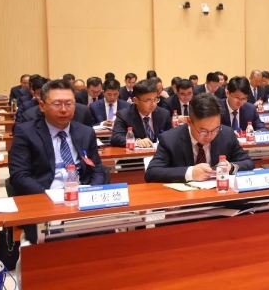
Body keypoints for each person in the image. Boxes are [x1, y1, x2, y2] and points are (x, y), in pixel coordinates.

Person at [9, 79, 104, 243]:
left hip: (82, 201)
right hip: (43, 202)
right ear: (42, 105)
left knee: (107, 234)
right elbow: (20, 176)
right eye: (57, 104)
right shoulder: (25, 132)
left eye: (69, 104)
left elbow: (97, 170)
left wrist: (91, 194)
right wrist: (51, 198)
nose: (64, 109)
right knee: (66, 240)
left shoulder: (86, 132)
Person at [145, 93, 254, 183]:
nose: (209, 135)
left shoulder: (226, 134)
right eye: (203, 131)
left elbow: (248, 162)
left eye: (215, 129)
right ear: (189, 121)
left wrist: (231, 167)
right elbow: (152, 172)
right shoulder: (170, 139)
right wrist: (191, 172)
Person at [111, 79, 172, 148]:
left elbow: (171, 136)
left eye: (155, 99)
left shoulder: (164, 114)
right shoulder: (124, 115)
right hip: (137, 154)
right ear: (136, 100)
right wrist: (136, 141)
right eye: (148, 100)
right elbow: (116, 138)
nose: (153, 104)